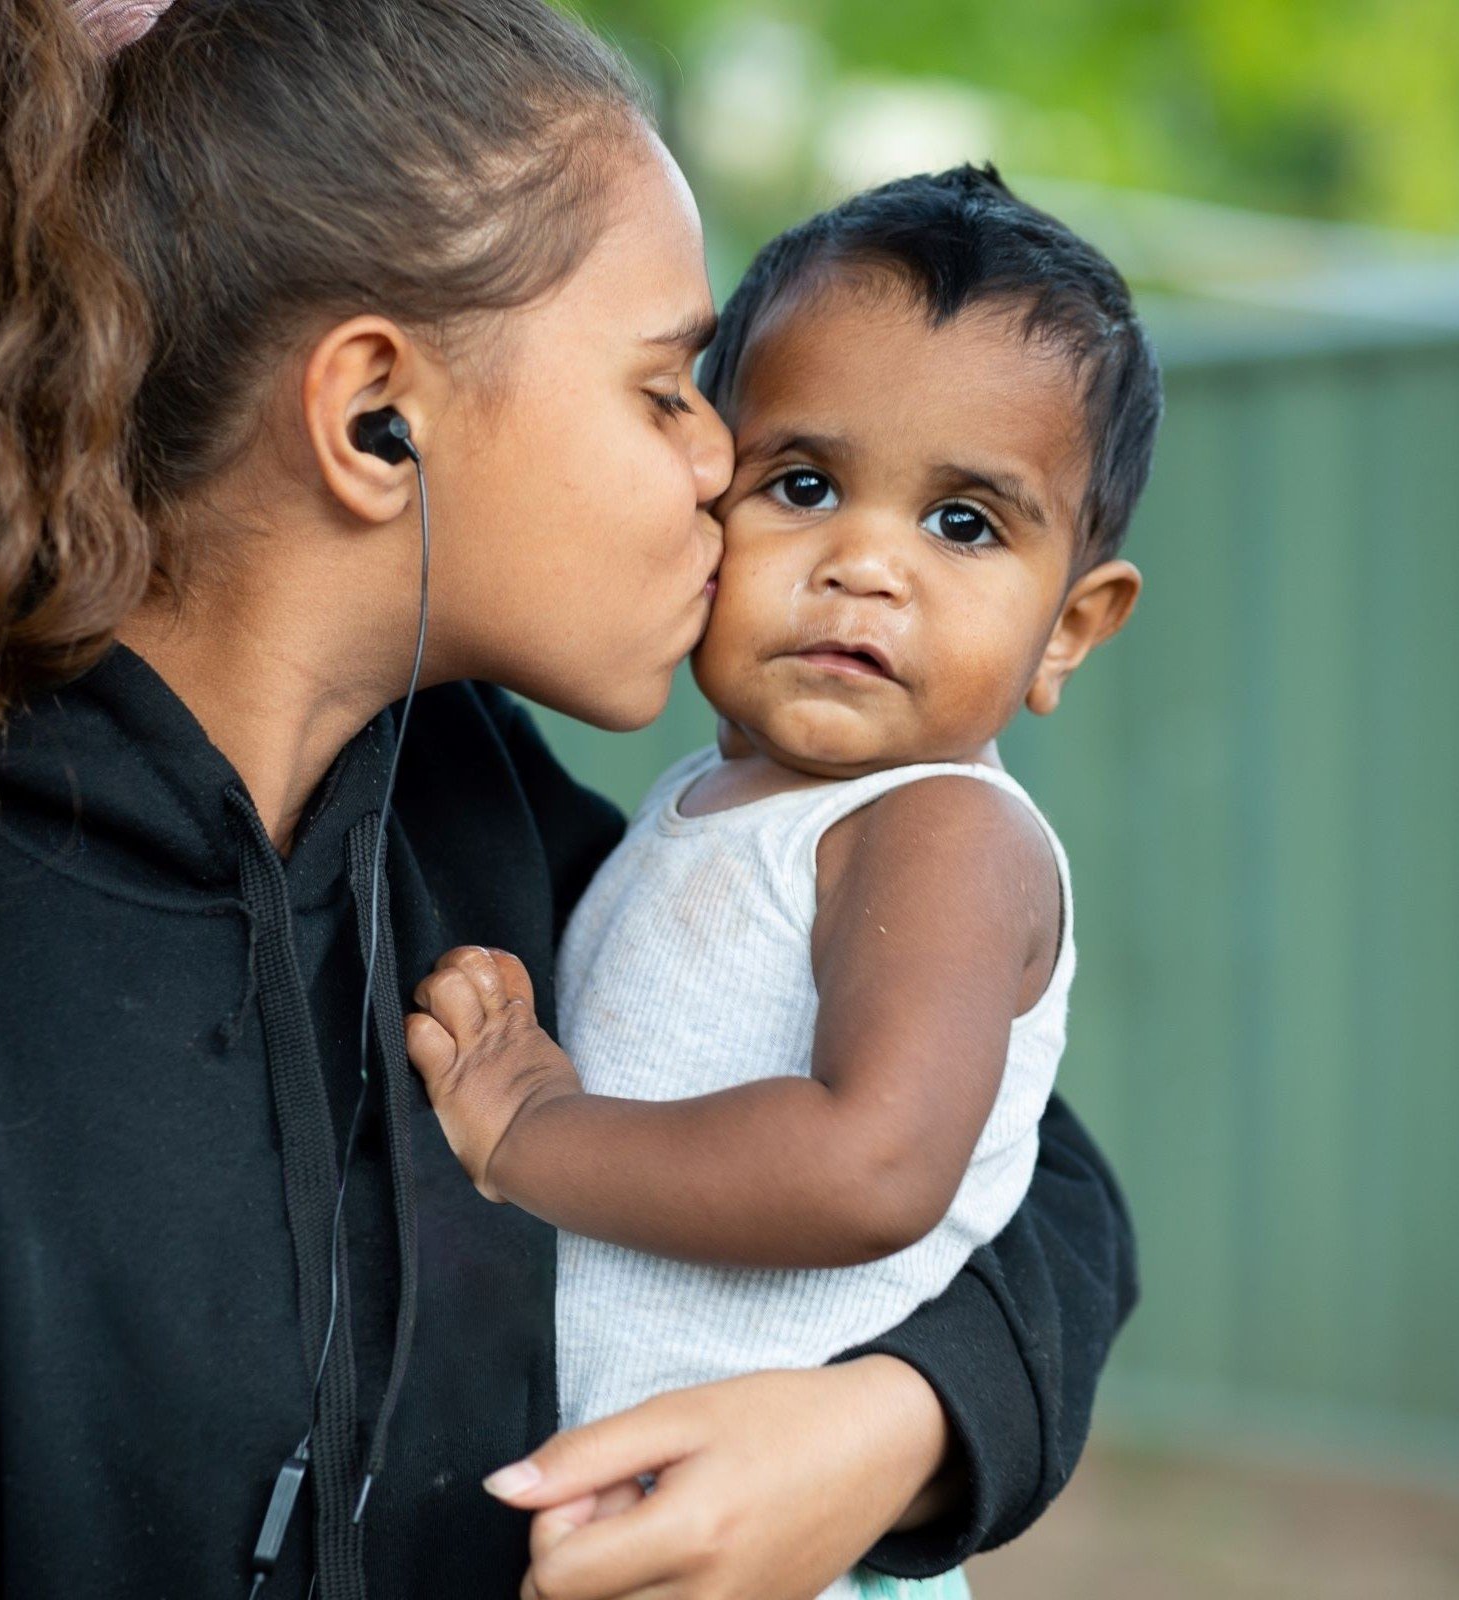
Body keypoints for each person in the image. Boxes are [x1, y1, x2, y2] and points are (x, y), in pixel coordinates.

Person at [0, 3, 1138, 1598]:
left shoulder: (468, 810)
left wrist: (887, 1429)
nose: (726, 465)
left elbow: (1014, 1170)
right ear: (375, 419)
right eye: (664, 388)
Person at [407, 163, 1159, 1600]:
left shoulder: (944, 834)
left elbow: (871, 1165)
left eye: (965, 525)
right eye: (804, 486)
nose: (864, 564)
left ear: (1070, 631)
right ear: (710, 504)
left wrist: (530, 1127)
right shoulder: (719, 804)